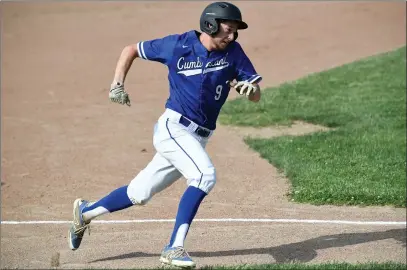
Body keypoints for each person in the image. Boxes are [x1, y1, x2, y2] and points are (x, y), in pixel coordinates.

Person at [68, 1, 262, 268]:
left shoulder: (234, 52)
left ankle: (85, 212)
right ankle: (174, 247)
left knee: (139, 193)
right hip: (174, 128)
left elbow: (255, 91)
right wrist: (117, 84)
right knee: (204, 175)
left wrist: (250, 92)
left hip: (199, 137)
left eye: (235, 32)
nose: (232, 36)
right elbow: (131, 50)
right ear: (210, 25)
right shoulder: (177, 45)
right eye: (228, 30)